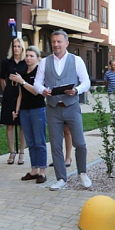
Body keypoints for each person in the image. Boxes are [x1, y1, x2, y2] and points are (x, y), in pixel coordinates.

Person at [33, 30, 92, 190]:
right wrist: (42, 90)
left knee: (80, 143)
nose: (56, 44)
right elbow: (37, 83)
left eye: (59, 41)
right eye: (53, 42)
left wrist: (77, 90)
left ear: (66, 43)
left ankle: (82, 173)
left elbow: (86, 82)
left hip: (72, 106)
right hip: (53, 108)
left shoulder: (76, 60)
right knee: (56, 145)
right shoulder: (44, 62)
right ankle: (61, 178)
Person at [11, 46, 48, 184]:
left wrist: (22, 81)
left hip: (37, 109)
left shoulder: (40, 72)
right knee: (31, 142)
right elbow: (20, 94)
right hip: (24, 111)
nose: (28, 58)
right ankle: (34, 170)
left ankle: (42, 171)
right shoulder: (22, 73)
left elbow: (36, 91)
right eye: (27, 55)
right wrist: (16, 110)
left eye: (31, 56)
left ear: (38, 58)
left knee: (39, 141)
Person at [0, 38, 27, 165]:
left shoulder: (25, 62)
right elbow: (1, 77)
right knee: (9, 124)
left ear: (22, 48)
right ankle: (12, 151)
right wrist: (6, 90)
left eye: (18, 46)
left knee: (22, 124)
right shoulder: (6, 62)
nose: (16, 48)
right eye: (14, 46)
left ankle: (22, 152)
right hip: (9, 92)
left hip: (22, 92)